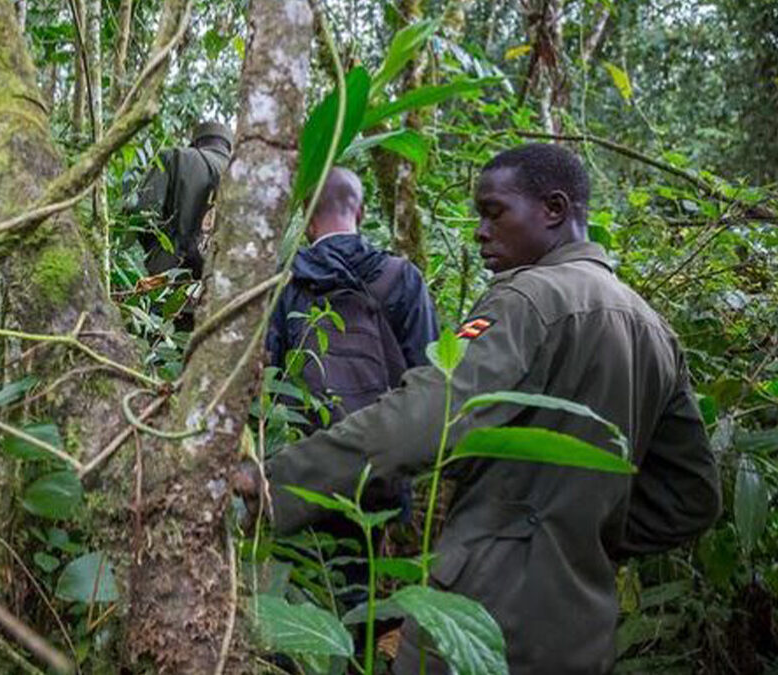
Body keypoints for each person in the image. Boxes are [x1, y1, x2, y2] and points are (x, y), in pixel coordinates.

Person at [236, 144, 721, 674]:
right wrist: (578, 539)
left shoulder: (529, 299)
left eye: (494, 212)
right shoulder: (654, 329)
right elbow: (693, 498)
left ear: (554, 210)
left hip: (478, 618)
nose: (480, 232)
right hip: (584, 630)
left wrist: (273, 482)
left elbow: (424, 416)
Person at [266, 167, 439, 428]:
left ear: (308, 221)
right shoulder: (402, 276)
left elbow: (268, 372)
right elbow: (427, 375)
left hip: (302, 451)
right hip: (383, 445)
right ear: (360, 214)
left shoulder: (285, 280)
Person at [128, 121, 233, 280]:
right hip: (223, 281)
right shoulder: (245, 177)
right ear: (228, 146)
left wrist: (161, 251)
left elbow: (142, 213)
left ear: (195, 142)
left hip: (170, 276)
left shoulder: (174, 157)